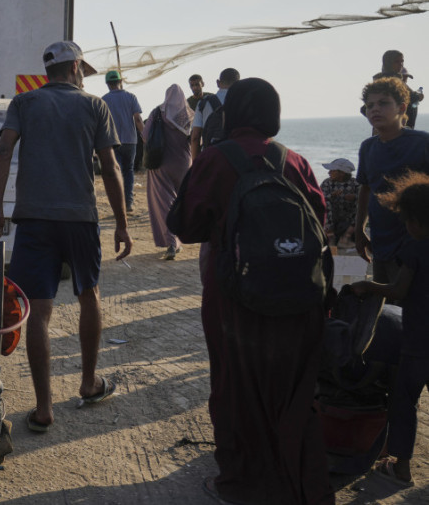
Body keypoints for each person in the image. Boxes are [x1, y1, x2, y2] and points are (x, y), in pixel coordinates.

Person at [174, 78, 333, 504]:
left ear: (233, 114)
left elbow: (186, 226)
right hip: (298, 294)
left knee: (236, 386)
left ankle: (242, 482)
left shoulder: (214, 158)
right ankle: (298, 480)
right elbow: (319, 220)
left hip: (234, 297)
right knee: (293, 388)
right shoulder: (294, 160)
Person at [0, 40, 132, 433]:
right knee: (89, 295)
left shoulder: (24, 103)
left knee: (38, 310)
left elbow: (3, 150)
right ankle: (89, 383)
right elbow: (111, 166)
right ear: (76, 67)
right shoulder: (94, 105)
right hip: (80, 217)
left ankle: (44, 408)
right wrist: (121, 221)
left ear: (48, 71)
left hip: (33, 218)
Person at [350, 170, 429, 488]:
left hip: (417, 342)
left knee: (404, 401)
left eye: (407, 220)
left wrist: (368, 286)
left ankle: (401, 468)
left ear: (417, 221)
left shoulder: (415, 249)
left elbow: (397, 290)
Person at [356, 77, 429, 284]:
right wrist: (359, 231)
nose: (375, 109)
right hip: (380, 243)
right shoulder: (368, 147)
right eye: (370, 105)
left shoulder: (422, 143)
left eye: (383, 103)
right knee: (384, 299)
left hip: (416, 246)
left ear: (402, 107)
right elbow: (366, 189)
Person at [143, 84, 192, 260]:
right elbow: (195, 137)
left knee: (165, 203)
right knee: (181, 202)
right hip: (183, 163)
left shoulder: (157, 112)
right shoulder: (188, 115)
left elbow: (145, 135)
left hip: (161, 163)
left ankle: (172, 242)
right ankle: (180, 238)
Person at [102, 70, 145, 212]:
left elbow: (101, 124)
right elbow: (138, 119)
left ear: (107, 84)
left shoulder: (104, 100)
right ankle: (128, 203)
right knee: (129, 171)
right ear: (120, 81)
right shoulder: (131, 97)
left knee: (117, 173)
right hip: (130, 141)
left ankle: (119, 205)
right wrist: (145, 136)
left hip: (113, 142)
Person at [190, 68, 239, 160]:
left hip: (211, 156)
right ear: (238, 84)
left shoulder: (204, 103)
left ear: (218, 83)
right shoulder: (243, 102)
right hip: (237, 156)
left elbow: (195, 137)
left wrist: (196, 164)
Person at [373, 50, 424, 128]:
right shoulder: (393, 81)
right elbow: (412, 97)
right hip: (396, 129)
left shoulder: (378, 81)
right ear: (388, 63)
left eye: (402, 61)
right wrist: (418, 96)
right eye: (396, 61)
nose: (401, 64)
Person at [320, 158, 360, 249]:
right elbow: (318, 199)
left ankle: (346, 237)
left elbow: (366, 198)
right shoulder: (327, 183)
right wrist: (331, 195)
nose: (329, 173)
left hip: (349, 219)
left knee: (362, 203)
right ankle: (331, 237)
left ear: (342, 173)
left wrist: (355, 197)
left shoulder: (355, 183)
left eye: (332, 170)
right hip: (332, 218)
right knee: (325, 201)